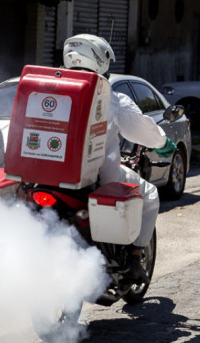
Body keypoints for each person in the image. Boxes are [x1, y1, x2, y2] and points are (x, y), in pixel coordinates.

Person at [62, 34, 176, 280]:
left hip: (49, 178)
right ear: (101, 62)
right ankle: (135, 259)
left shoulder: (51, 90)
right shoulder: (111, 100)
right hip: (98, 180)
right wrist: (163, 142)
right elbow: (142, 130)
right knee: (150, 194)